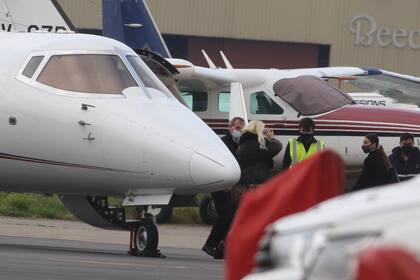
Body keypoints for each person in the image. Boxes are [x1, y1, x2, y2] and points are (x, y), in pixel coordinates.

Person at [202, 117, 245, 259]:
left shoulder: (241, 143)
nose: (239, 131)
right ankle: (210, 244)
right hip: (220, 184)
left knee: (231, 217)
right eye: (237, 128)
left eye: (241, 128)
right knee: (225, 215)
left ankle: (221, 247)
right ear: (230, 128)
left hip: (232, 185)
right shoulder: (223, 143)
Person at [236, 120, 282, 189]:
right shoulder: (260, 145)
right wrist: (272, 138)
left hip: (243, 181)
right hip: (258, 182)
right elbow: (277, 147)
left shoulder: (242, 144)